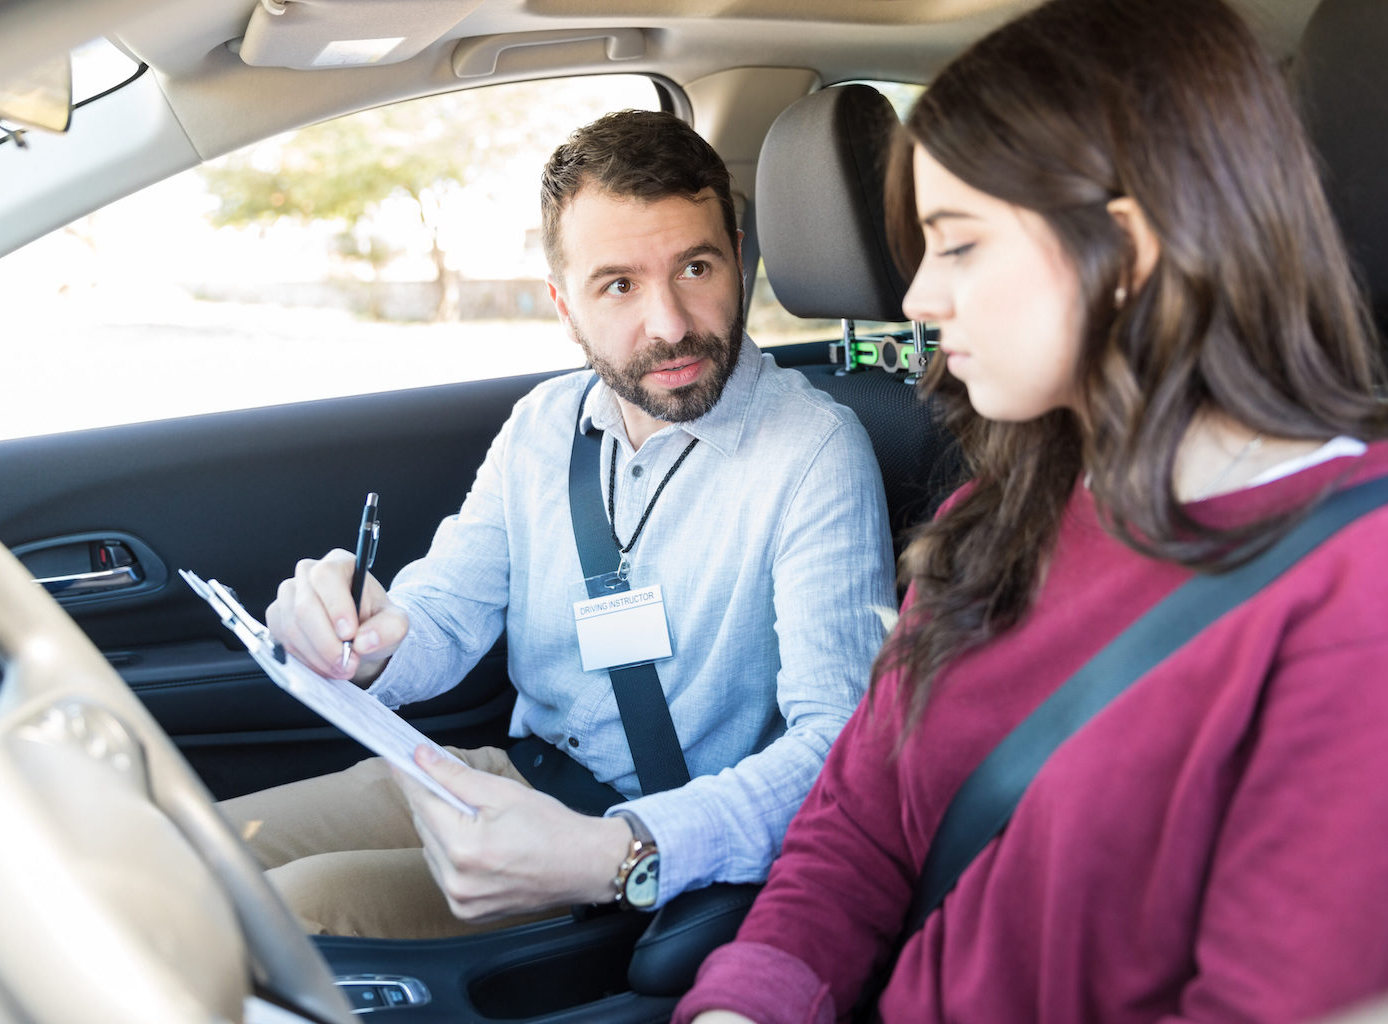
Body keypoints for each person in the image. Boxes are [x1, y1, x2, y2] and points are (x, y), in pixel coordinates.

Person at [674, 0, 1388, 1021]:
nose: (917, 294)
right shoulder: (1001, 509)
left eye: (958, 244)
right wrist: (744, 1002)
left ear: (1130, 250)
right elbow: (858, 831)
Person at [220, 109, 895, 939]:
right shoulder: (544, 424)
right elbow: (444, 609)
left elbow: (840, 746)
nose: (672, 324)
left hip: (643, 844)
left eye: (696, 266)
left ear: (740, 258)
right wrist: (362, 637)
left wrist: (622, 846)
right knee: (191, 848)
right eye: (619, 284)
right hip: (504, 776)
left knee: (290, 914)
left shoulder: (816, 451)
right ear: (563, 305)